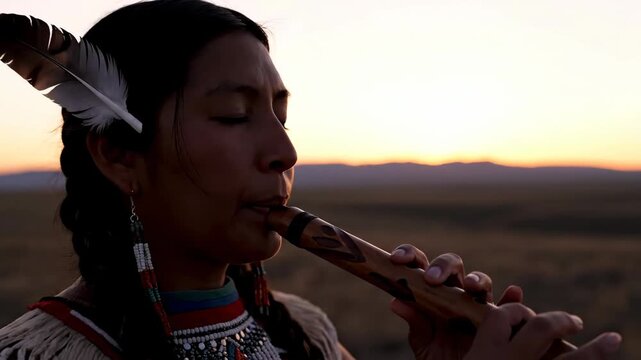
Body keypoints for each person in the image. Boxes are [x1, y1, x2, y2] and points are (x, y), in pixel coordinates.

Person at [0, 1, 622, 359]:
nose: (284, 151)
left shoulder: (306, 332)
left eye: (282, 116)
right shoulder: (39, 355)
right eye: (233, 116)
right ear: (118, 155)